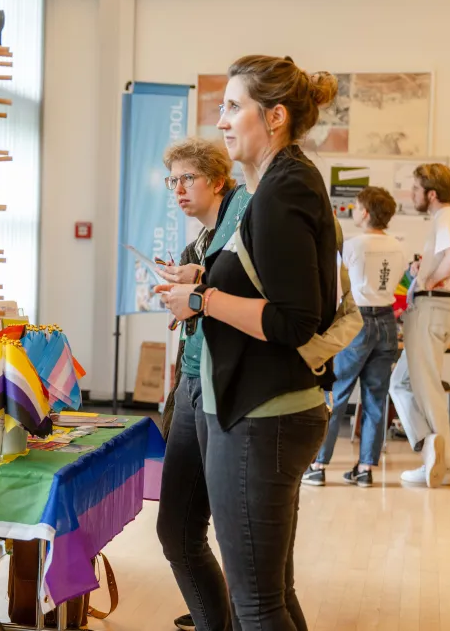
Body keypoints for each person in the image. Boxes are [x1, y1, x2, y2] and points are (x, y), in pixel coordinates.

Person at [158, 54, 338, 631]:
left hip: (265, 416)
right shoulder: (278, 184)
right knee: (269, 595)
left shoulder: (283, 190)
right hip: (262, 410)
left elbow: (294, 320)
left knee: (259, 604)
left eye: (234, 107)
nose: (222, 120)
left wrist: (201, 301)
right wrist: (204, 281)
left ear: (276, 116)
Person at [155, 137, 251, 631]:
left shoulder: (245, 214)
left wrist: (197, 291)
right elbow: (202, 303)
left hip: (228, 388)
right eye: (172, 180)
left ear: (217, 179)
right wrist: (181, 298)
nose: (177, 190)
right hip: (194, 381)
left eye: (187, 178)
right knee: (175, 528)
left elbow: (251, 299)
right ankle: (212, 616)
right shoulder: (202, 237)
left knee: (237, 539)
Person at [302, 187, 405, 488]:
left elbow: (336, 284)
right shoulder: (398, 246)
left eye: (357, 207)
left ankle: (319, 465)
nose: (354, 211)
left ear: (365, 212)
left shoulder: (354, 245)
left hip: (357, 320)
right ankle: (365, 469)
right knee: (376, 397)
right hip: (386, 321)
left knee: (337, 393)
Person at [389, 164, 450, 488]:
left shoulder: (446, 217)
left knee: (427, 388)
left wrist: (431, 280)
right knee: (401, 383)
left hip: (432, 307)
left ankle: (442, 467)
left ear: (432, 194)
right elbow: (447, 258)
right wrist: (423, 269)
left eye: (416, 189)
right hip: (439, 308)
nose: (412, 194)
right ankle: (431, 452)